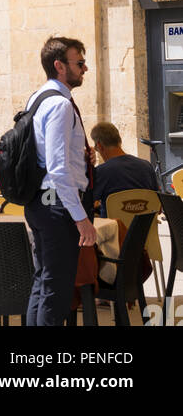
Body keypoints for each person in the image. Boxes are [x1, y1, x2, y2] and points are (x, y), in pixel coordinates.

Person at [24, 35, 97, 327]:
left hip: (41, 203)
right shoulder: (60, 106)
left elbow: (48, 155)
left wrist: (80, 158)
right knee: (56, 290)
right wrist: (80, 218)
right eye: (79, 63)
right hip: (57, 207)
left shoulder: (38, 98)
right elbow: (56, 169)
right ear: (59, 66)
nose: (85, 69)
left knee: (43, 284)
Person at [90, 122, 158, 214]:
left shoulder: (101, 172)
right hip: (146, 227)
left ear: (99, 146)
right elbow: (158, 206)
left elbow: (87, 205)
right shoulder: (147, 166)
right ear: (119, 141)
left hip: (115, 227)